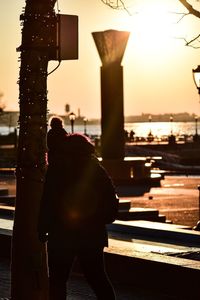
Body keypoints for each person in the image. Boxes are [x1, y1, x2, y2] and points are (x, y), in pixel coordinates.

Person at [38, 133, 118, 300]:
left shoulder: (57, 169)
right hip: (92, 235)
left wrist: (42, 227)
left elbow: (48, 201)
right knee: (97, 277)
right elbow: (111, 200)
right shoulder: (96, 169)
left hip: (61, 234)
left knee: (58, 280)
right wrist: (99, 220)